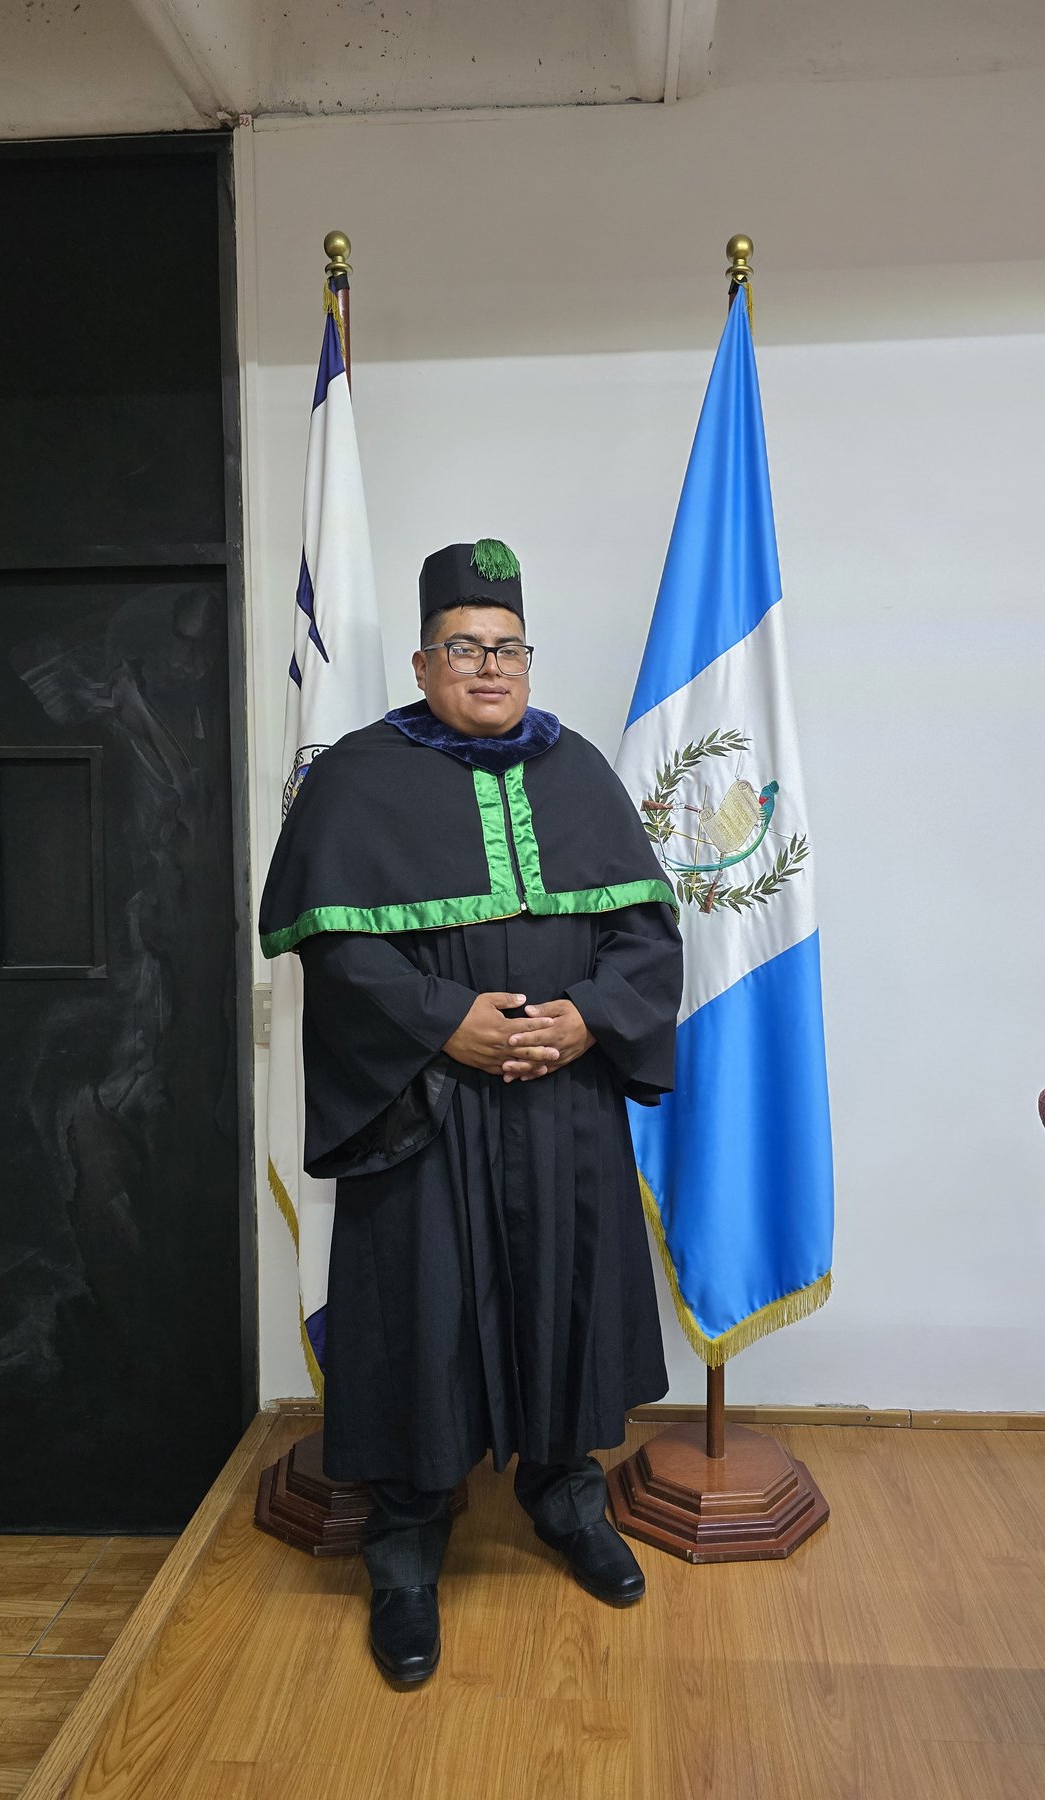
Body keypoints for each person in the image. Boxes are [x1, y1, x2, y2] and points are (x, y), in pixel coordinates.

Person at [259, 539, 683, 1685]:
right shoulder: (360, 776)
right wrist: (447, 1019)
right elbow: (335, 949)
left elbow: (646, 939)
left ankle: (565, 1493)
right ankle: (405, 1537)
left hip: (563, 1101)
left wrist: (588, 1018)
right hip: (423, 1102)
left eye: (507, 649)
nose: (489, 667)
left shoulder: (577, 770)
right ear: (422, 661)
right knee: (422, 1308)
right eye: (464, 648)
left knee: (564, 1291)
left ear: (528, 661)